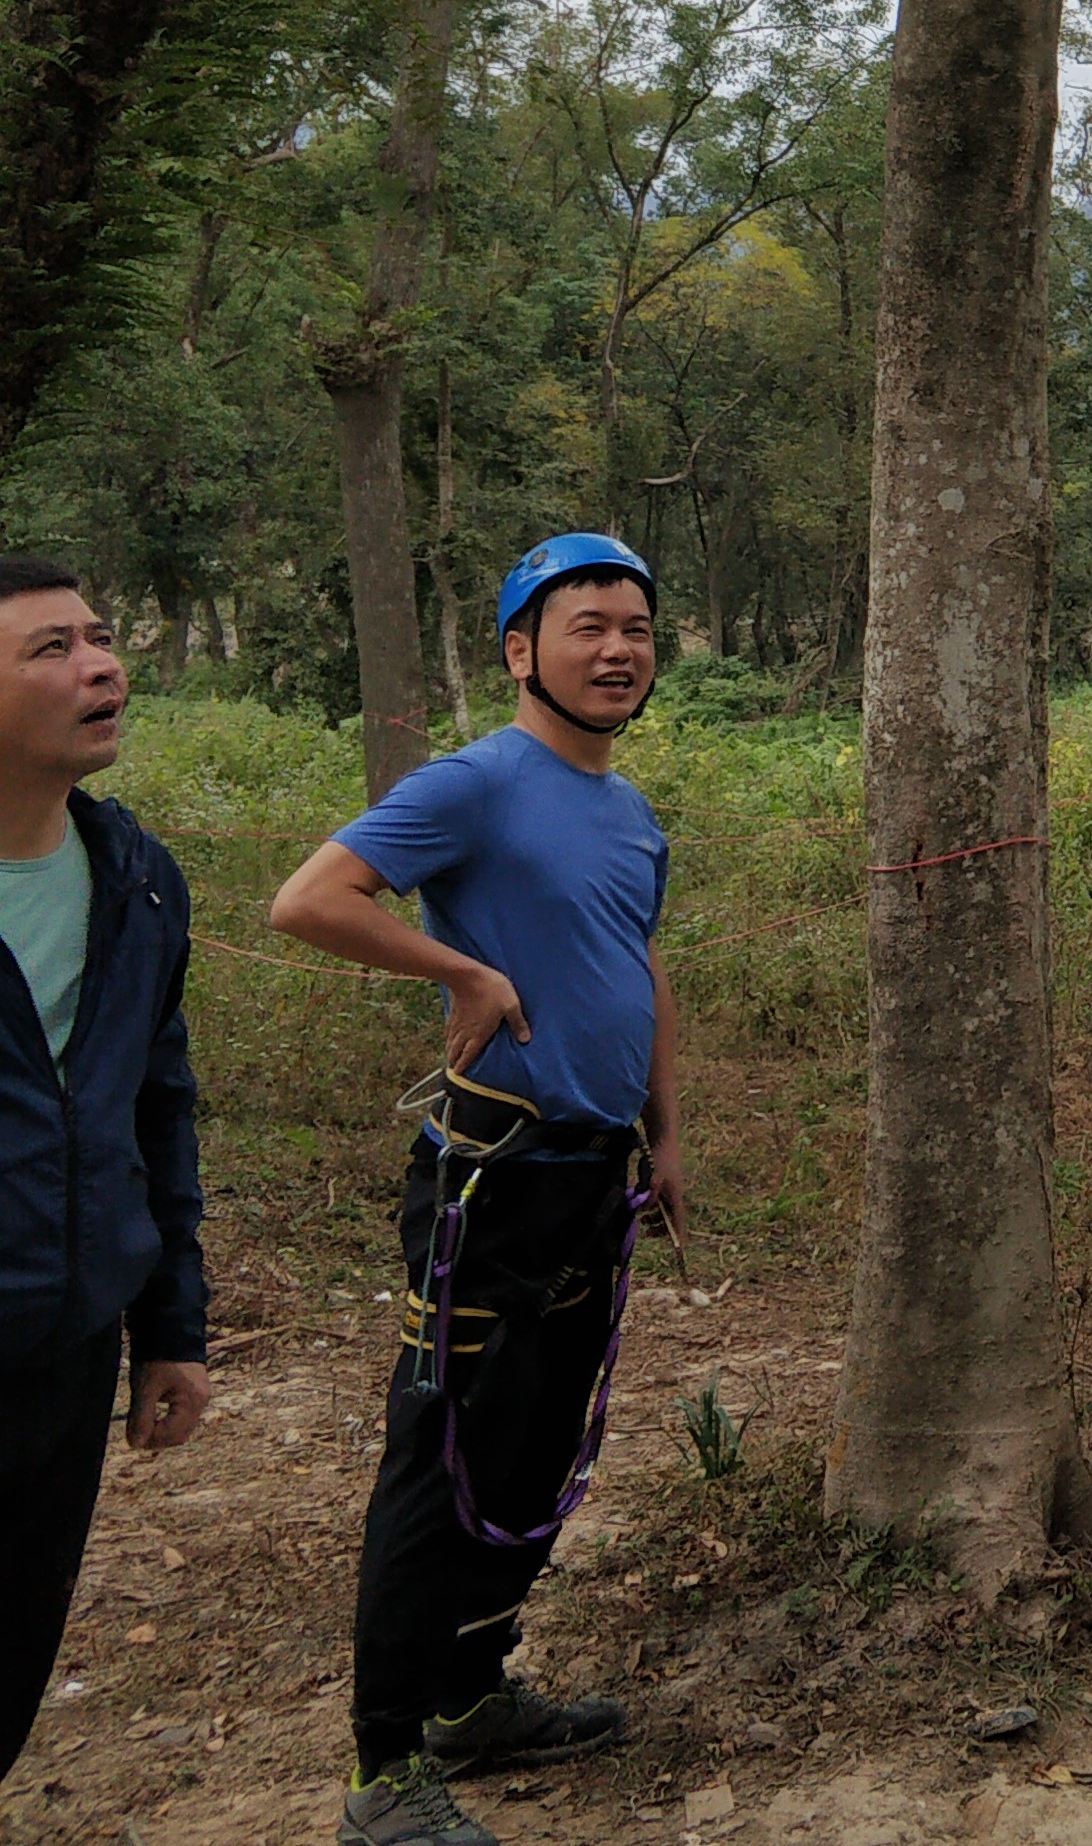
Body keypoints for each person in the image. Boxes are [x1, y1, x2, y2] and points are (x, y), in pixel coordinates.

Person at [271, 534, 684, 1846]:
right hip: (487, 1186)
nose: (618, 648)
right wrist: (455, 968)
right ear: (520, 651)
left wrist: (665, 1137)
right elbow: (311, 898)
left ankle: (471, 1696)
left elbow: (642, 970)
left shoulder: (631, 812)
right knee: (438, 1453)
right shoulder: (480, 783)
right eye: (586, 626)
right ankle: (385, 1767)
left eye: (635, 627)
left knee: (537, 1443)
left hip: (593, 1179)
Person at [0, 555, 210, 1784]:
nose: (101, 665)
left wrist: (170, 1328)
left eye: (98, 637)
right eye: (49, 648)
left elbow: (155, 1108)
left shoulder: (134, 876)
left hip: (66, 1353)